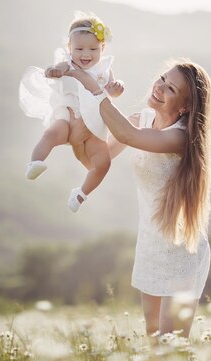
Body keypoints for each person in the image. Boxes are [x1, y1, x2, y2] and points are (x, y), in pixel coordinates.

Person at [66, 59, 211, 338]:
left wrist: (92, 87)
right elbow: (97, 161)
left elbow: (127, 135)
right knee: (152, 337)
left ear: (184, 106)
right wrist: (76, 135)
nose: (159, 87)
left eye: (170, 89)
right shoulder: (142, 119)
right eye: (162, 78)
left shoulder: (180, 138)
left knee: (171, 345)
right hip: (150, 243)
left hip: (182, 250)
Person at [18, 12, 125, 212]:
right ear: (69, 48)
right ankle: (35, 162)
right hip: (69, 117)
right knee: (52, 133)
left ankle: (81, 193)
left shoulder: (105, 69)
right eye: (79, 48)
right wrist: (54, 71)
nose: (86, 54)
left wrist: (116, 89)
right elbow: (56, 69)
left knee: (103, 163)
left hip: (94, 123)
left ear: (102, 47)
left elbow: (110, 90)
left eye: (93, 49)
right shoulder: (68, 63)